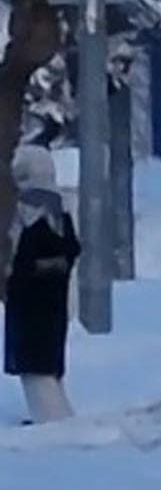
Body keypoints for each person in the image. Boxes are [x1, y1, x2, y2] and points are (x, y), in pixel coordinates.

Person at [7, 146, 78, 423]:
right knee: (48, 365)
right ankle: (61, 416)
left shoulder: (26, 207)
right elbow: (72, 248)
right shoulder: (61, 205)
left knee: (33, 367)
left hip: (28, 300)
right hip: (55, 298)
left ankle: (50, 422)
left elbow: (19, 253)